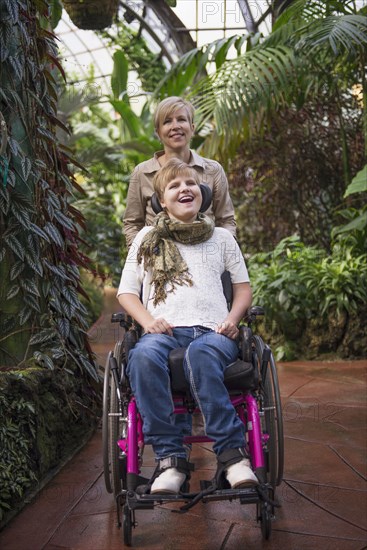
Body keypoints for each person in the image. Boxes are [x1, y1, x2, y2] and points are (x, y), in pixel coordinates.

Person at [117, 158, 258, 494]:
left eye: (191, 184)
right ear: (162, 201)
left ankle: (233, 456)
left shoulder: (222, 238)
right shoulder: (147, 239)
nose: (185, 189)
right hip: (163, 332)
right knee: (141, 357)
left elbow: (243, 289)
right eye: (174, 185)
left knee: (200, 353)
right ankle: (170, 460)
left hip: (214, 333)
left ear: (202, 193)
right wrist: (149, 322)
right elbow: (126, 292)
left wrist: (231, 320)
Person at [123, 96, 236, 248]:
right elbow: (132, 223)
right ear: (158, 132)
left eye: (181, 119)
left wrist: (221, 254)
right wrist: (142, 256)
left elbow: (226, 220)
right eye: (167, 121)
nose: (175, 126)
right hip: (159, 262)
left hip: (206, 259)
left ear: (192, 127)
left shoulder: (213, 170)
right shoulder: (142, 173)